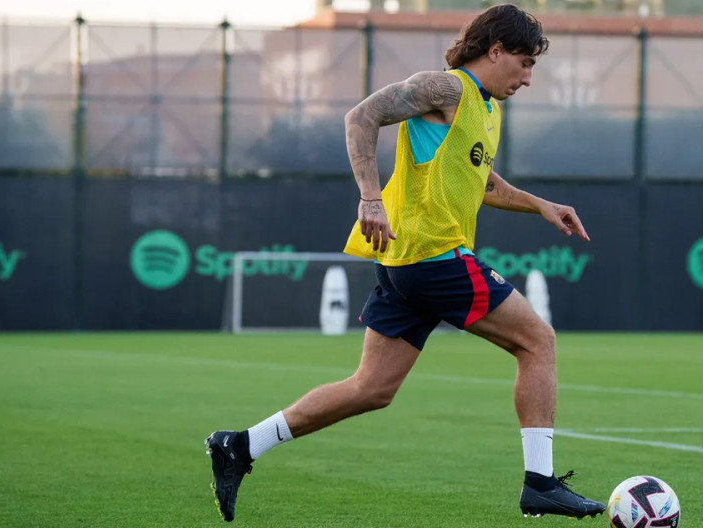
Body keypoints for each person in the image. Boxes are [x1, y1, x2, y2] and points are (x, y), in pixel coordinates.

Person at [205, 3, 603, 522]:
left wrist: (541, 205)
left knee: (371, 389)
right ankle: (540, 483)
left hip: (406, 263)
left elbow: (482, 183)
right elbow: (361, 116)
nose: (528, 78)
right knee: (538, 340)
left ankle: (240, 446)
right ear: (496, 49)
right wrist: (370, 197)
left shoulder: (486, 110)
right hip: (433, 256)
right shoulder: (447, 88)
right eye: (524, 63)